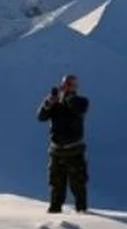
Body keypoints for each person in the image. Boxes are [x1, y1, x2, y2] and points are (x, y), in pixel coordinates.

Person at [36, 73, 90, 213]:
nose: (66, 87)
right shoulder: (55, 104)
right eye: (65, 84)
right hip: (57, 151)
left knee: (78, 185)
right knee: (56, 186)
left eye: (70, 85)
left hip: (74, 151)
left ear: (75, 87)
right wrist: (50, 101)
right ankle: (54, 212)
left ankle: (82, 212)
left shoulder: (80, 101)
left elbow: (77, 107)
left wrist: (66, 96)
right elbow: (41, 117)